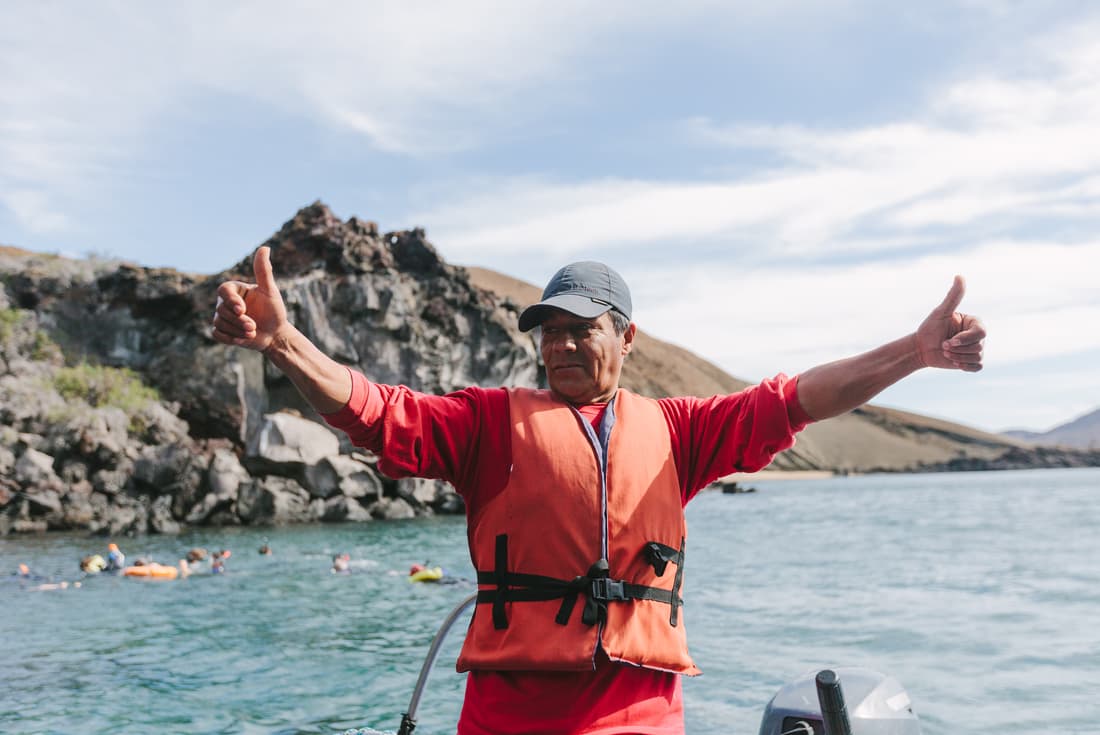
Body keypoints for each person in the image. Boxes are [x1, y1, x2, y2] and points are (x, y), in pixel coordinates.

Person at [212, 247, 985, 735]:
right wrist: (282, 342)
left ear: (626, 336)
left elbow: (797, 399)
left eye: (581, 327)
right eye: (549, 330)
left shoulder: (681, 432)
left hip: (641, 717)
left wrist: (913, 353)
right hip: (507, 718)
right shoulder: (487, 425)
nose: (560, 344)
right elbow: (377, 410)